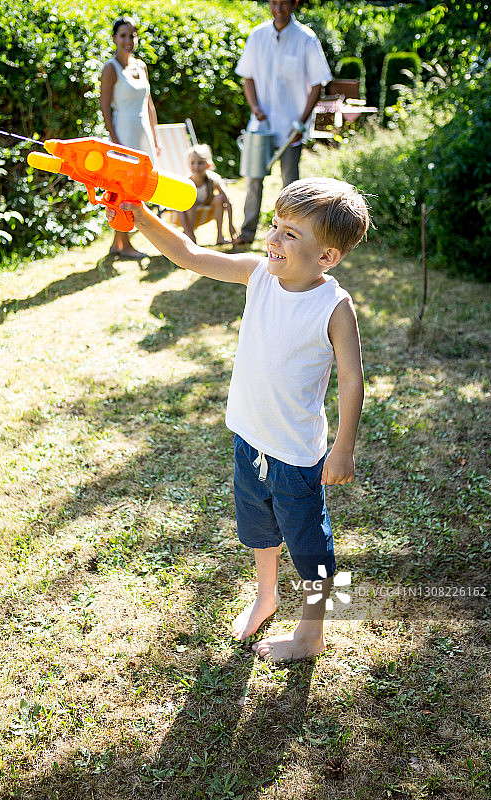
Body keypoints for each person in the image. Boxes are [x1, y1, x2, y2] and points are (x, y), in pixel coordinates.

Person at [106, 177, 369, 662]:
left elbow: (352, 380)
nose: (273, 239)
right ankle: (265, 595)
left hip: (295, 454)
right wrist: (137, 213)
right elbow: (188, 254)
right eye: (275, 224)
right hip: (249, 437)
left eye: (292, 234)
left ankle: (312, 631)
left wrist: (344, 446)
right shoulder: (258, 274)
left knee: (310, 545)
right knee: (259, 529)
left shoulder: (334, 307)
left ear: (327, 257)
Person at [233, 0, 332, 247]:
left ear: (294, 3)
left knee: (291, 184)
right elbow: (248, 77)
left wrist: (301, 122)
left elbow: (318, 83)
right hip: (261, 126)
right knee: (254, 179)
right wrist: (255, 108)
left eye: (284, 2)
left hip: (292, 129)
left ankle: (291, 235)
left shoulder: (306, 39)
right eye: (274, 2)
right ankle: (247, 233)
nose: (278, 8)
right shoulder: (257, 36)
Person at [100, 15, 161, 258]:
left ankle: (119, 244)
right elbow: (105, 107)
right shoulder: (110, 68)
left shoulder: (141, 65)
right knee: (124, 189)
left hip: (143, 133)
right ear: (114, 38)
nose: (128, 40)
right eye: (123, 35)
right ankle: (123, 244)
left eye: (132, 35)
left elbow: (150, 106)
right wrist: (115, 140)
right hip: (123, 135)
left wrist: (155, 140)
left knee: (140, 187)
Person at [174, 144, 237, 245]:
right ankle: (189, 235)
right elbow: (178, 207)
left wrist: (231, 225)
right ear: (188, 164)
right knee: (188, 201)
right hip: (189, 210)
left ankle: (220, 236)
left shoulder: (213, 179)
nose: (196, 166)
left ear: (208, 164)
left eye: (200, 163)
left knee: (219, 198)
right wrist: (188, 232)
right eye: (193, 163)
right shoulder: (186, 181)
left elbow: (228, 201)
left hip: (208, 206)